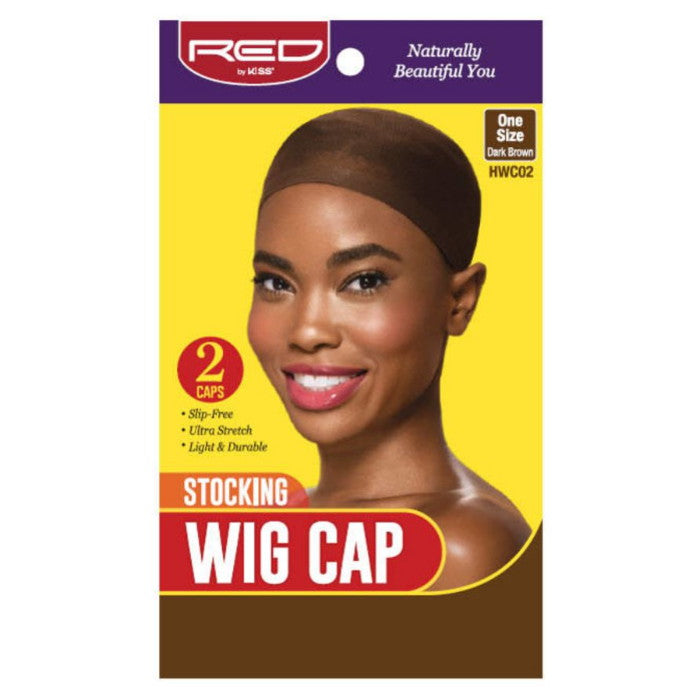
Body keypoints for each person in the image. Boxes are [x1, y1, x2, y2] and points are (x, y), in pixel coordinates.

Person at [247, 108, 530, 590]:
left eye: (364, 281)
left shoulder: (456, 547)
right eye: (276, 283)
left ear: (459, 301)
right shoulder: (278, 526)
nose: (307, 331)